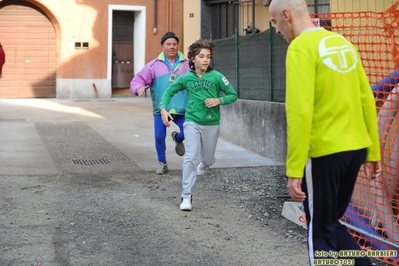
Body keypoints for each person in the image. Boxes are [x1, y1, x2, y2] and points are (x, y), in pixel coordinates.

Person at [269, 0, 382, 265]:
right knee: (330, 223)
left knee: (319, 235)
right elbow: (367, 98)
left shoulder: (299, 48)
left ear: (287, 15)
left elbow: (299, 112)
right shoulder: (343, 43)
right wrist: (372, 152)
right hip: (354, 152)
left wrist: (294, 170)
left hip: (323, 154)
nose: (275, 29)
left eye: (274, 22)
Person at [159, 39, 238, 211]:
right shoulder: (186, 78)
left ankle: (206, 163)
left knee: (207, 160)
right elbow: (169, 92)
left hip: (212, 123)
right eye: (201, 56)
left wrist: (219, 100)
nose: (205, 60)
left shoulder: (217, 76)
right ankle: (186, 195)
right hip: (192, 121)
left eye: (208, 57)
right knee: (190, 156)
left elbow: (233, 94)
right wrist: (163, 108)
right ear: (192, 58)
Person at [130, 32, 189, 175]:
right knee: (159, 137)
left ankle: (177, 138)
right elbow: (137, 80)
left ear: (177, 46)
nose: (171, 47)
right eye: (168, 44)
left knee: (188, 131)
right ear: (162, 46)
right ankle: (162, 163)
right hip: (160, 109)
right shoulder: (153, 66)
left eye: (174, 44)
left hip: (182, 108)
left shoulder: (187, 64)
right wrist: (139, 88)